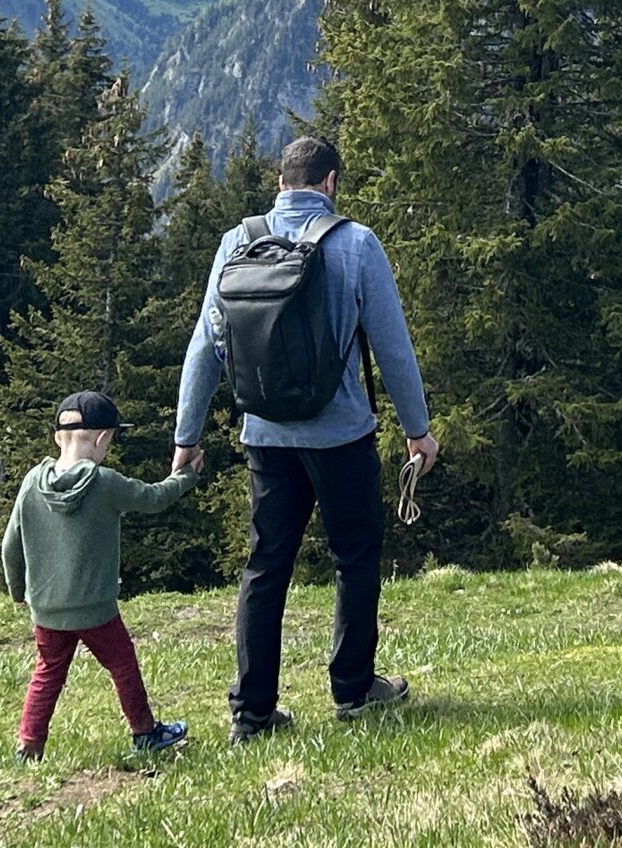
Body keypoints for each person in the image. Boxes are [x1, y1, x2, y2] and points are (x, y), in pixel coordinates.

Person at [173, 134, 440, 743]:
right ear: (330, 184)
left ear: (280, 180)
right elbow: (393, 347)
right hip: (342, 434)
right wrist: (417, 431)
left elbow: (206, 345)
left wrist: (187, 434)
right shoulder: (355, 244)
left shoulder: (236, 243)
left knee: (266, 563)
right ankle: (352, 691)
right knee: (354, 556)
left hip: (265, 434)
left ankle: (253, 712)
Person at [0, 390, 203, 764]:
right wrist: (186, 476)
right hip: (96, 608)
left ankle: (29, 747)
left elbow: (10, 546)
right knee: (122, 663)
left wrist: (19, 591)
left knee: (47, 672)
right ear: (102, 438)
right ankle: (144, 733)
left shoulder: (31, 482)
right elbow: (155, 497)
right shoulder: (104, 482)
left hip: (46, 607)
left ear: (58, 437)